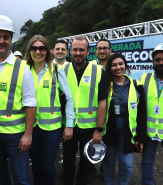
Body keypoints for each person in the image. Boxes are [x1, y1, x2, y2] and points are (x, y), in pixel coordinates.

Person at [0, 15, 37, 185]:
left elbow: (30, 102)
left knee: (21, 176)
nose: (1, 41)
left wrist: (28, 135)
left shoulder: (23, 68)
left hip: (15, 135)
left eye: (5, 37)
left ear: (11, 40)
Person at [23, 35, 75, 185]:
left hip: (52, 128)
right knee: (36, 165)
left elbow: (69, 98)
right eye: (34, 48)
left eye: (41, 48)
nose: (38, 52)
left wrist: (69, 125)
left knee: (47, 165)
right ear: (29, 50)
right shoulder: (23, 70)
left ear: (47, 50)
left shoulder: (56, 69)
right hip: (30, 127)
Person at [62, 36, 107, 185]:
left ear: (88, 51)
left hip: (89, 127)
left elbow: (102, 102)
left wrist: (99, 129)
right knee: (67, 161)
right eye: (75, 49)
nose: (78, 52)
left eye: (82, 49)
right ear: (70, 51)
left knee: (87, 163)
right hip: (68, 125)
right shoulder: (62, 70)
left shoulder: (99, 71)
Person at [102, 53, 146, 185]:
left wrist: (141, 137)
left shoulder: (135, 85)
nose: (118, 67)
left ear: (125, 65)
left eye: (120, 64)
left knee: (126, 164)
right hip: (109, 129)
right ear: (109, 67)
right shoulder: (105, 85)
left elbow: (142, 113)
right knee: (108, 161)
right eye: (114, 65)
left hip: (127, 131)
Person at [139, 43, 163, 185]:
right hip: (149, 131)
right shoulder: (144, 78)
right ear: (153, 62)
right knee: (147, 162)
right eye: (157, 59)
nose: (161, 62)